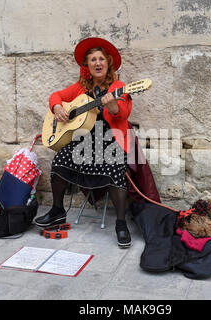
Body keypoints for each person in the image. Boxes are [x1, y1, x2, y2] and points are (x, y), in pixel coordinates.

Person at [35, 37, 133, 248]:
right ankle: (58, 211)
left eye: (101, 59)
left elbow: (122, 114)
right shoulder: (80, 88)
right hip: (84, 142)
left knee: (116, 166)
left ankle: (121, 223)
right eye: (93, 60)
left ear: (108, 64)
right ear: (87, 66)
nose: (98, 63)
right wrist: (57, 108)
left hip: (110, 140)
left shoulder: (118, 86)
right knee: (60, 159)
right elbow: (55, 96)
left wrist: (113, 105)